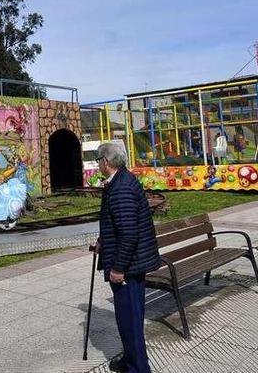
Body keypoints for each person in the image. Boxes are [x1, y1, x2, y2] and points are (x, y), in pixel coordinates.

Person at [92, 141, 159, 373]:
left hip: (128, 266)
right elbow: (120, 223)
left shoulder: (120, 187)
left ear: (106, 162)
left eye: (98, 161)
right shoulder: (121, 180)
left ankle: (138, 368)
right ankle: (130, 360)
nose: (98, 165)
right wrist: (104, 240)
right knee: (129, 319)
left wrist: (118, 268)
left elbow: (128, 233)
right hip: (133, 261)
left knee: (130, 322)